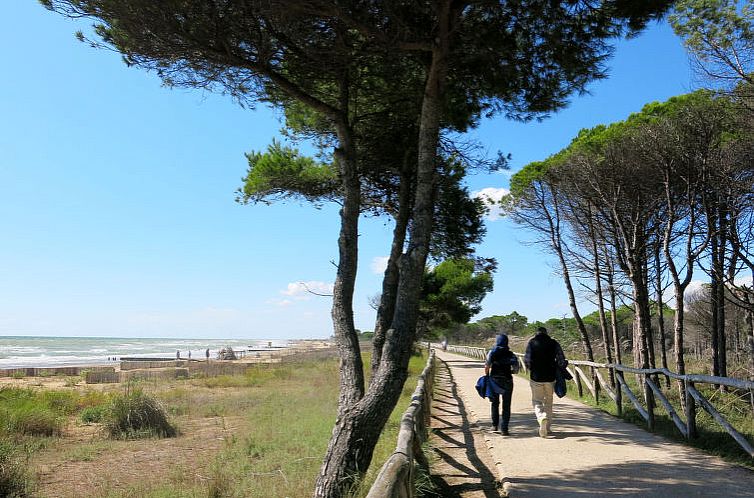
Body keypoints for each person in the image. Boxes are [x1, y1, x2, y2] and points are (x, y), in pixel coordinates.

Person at [524, 326, 567, 437]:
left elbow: (527, 360)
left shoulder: (532, 343)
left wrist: (532, 369)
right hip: (550, 377)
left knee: (537, 400)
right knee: (549, 401)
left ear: (537, 333)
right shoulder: (554, 343)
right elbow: (561, 360)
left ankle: (541, 417)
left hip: (536, 377)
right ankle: (547, 428)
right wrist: (559, 368)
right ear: (546, 333)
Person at [485, 334, 518, 435]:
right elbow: (516, 370)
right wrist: (510, 372)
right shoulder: (511, 354)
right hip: (507, 380)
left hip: (494, 380)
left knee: (495, 403)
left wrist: (487, 375)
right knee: (506, 405)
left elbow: (487, 366)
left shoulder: (492, 352)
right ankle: (504, 429)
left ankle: (494, 425)